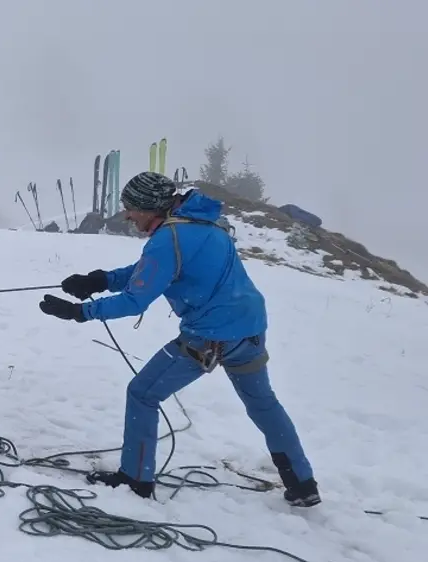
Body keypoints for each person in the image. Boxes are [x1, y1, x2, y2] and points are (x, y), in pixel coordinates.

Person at [37, 171, 320, 507]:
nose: (128, 216)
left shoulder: (167, 238)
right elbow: (155, 268)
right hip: (250, 327)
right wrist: (100, 280)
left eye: (131, 208)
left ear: (149, 207)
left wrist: (79, 313)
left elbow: (135, 300)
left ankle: (135, 479)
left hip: (210, 336)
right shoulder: (203, 224)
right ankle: (302, 483)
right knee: (263, 403)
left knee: (142, 393)